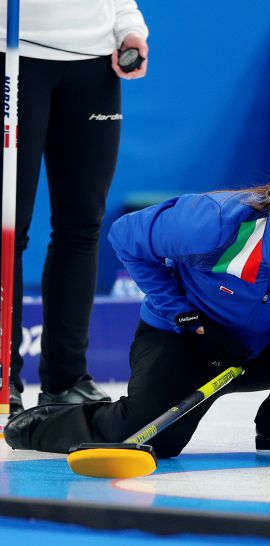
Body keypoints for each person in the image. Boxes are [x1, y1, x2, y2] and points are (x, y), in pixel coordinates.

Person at [4, 129, 270, 464]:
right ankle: (34, 424)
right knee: (151, 439)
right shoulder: (215, 223)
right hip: (189, 341)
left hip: (269, 347)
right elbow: (124, 237)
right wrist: (184, 317)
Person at [0, 0, 150, 417]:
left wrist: (129, 28)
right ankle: (2, 376)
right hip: (14, 55)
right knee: (10, 227)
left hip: (95, 64)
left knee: (81, 226)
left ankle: (66, 381)